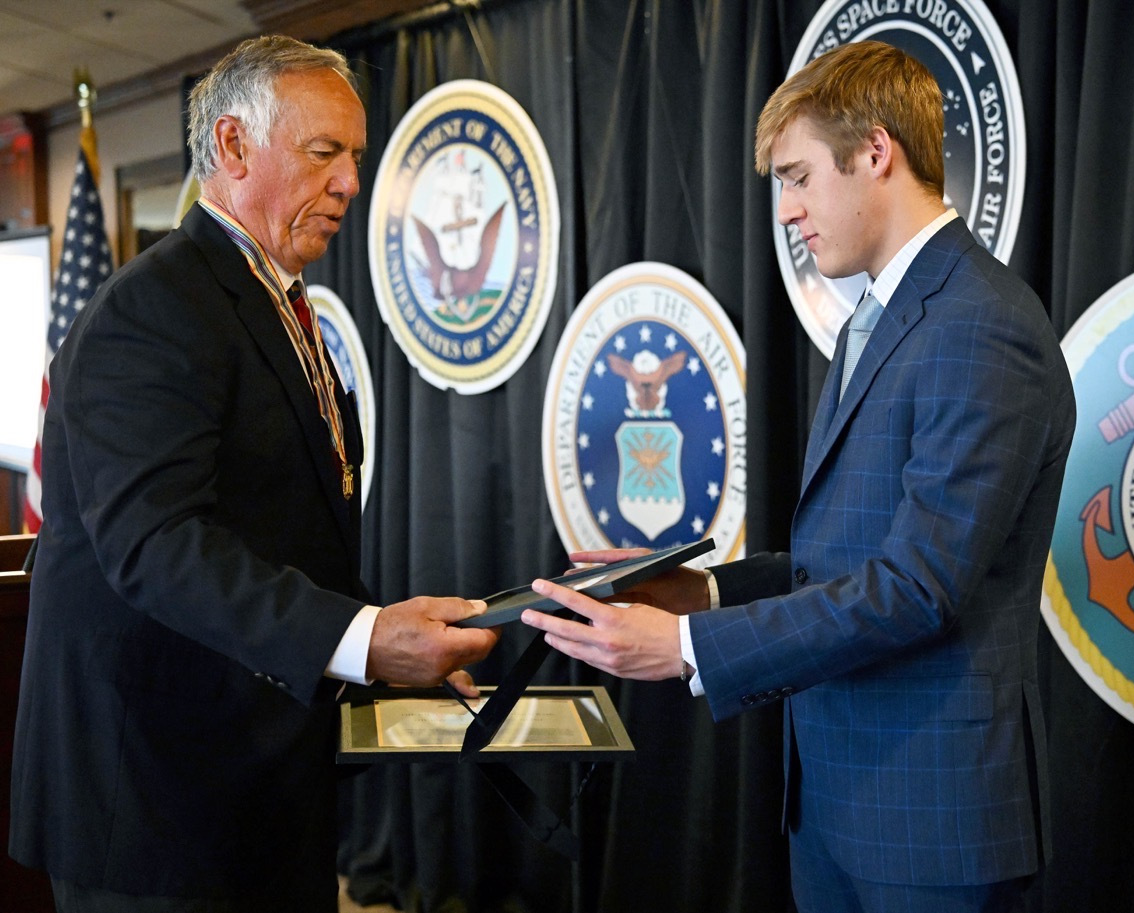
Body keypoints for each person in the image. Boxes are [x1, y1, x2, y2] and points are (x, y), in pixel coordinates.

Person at [521, 40, 1076, 913]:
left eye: (798, 177)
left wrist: (689, 648)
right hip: (835, 806)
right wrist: (704, 593)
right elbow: (851, 558)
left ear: (876, 151)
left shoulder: (981, 322)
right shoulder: (880, 317)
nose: (786, 210)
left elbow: (917, 588)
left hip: (933, 823)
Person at [8, 36, 498, 912]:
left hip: (255, 789)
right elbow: (158, 546)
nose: (350, 182)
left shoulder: (275, 300)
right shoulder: (151, 307)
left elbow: (280, 529)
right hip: (155, 810)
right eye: (325, 152)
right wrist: (361, 636)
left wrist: (381, 651)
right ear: (233, 146)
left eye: (355, 156)